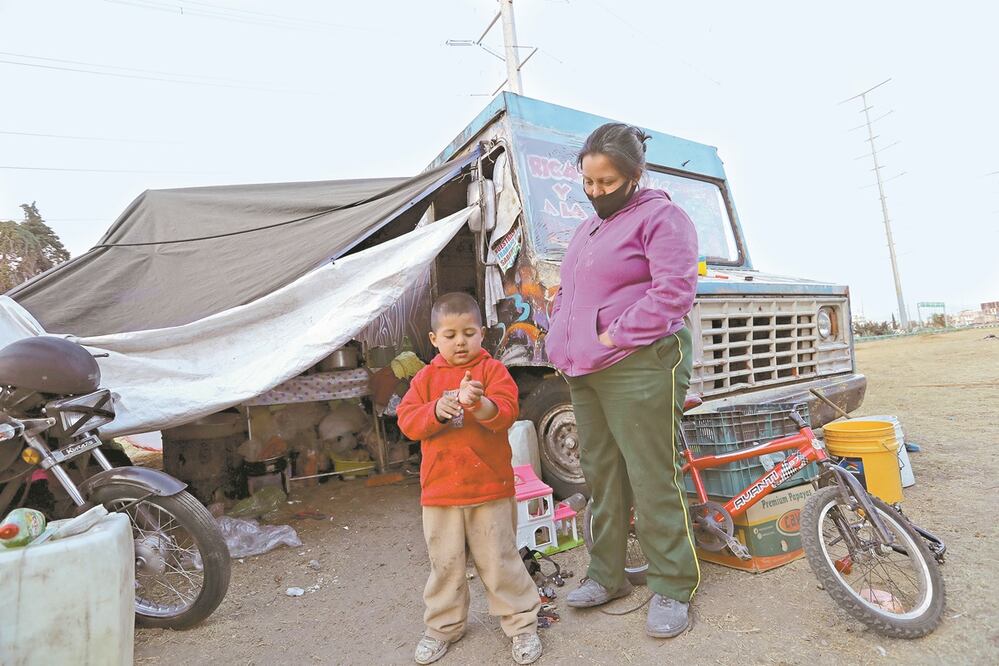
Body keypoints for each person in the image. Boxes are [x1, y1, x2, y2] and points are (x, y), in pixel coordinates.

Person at [544, 123, 700, 638]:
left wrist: (614, 337)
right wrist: (558, 341)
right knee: (602, 474)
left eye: (606, 183)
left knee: (653, 474)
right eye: (588, 183)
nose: (594, 194)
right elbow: (569, 292)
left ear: (636, 174)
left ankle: (673, 585)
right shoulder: (588, 229)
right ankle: (608, 575)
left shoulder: (663, 217)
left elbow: (673, 294)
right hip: (585, 369)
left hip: (639, 362)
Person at [397, 292, 542, 665]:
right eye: (450, 335)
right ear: (434, 339)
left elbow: (506, 413)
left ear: (483, 335)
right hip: (440, 493)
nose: (460, 342)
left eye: (468, 333)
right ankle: (443, 627)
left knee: (500, 560)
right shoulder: (426, 379)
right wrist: (436, 410)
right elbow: (408, 422)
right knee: (445, 565)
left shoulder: (493, 371)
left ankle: (522, 624)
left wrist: (479, 404)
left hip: (490, 489)